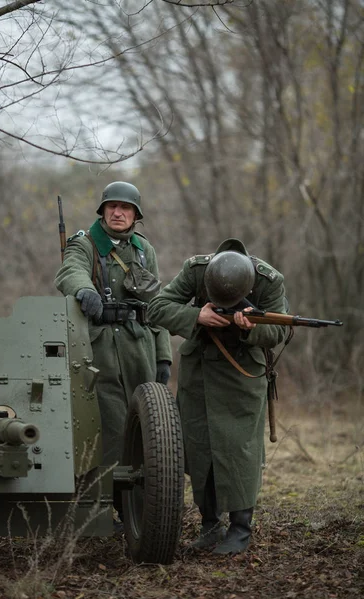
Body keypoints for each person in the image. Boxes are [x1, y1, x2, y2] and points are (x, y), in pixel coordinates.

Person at [147, 238, 287, 555]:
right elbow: (157, 307)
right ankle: (209, 525)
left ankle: (240, 529)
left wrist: (250, 327)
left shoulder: (269, 280)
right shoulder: (196, 270)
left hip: (242, 375)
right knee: (199, 446)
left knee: (240, 449)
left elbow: (278, 331)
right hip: (199, 373)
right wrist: (196, 316)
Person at [54, 181, 172, 523]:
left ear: (135, 215)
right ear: (102, 211)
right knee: (107, 426)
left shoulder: (143, 250)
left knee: (149, 428)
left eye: (126, 208)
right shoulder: (85, 242)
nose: (118, 213)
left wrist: (163, 354)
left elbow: (157, 304)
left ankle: (143, 506)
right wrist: (83, 289)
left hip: (140, 346)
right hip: (100, 348)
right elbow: (70, 270)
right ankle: (102, 507)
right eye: (112, 207)